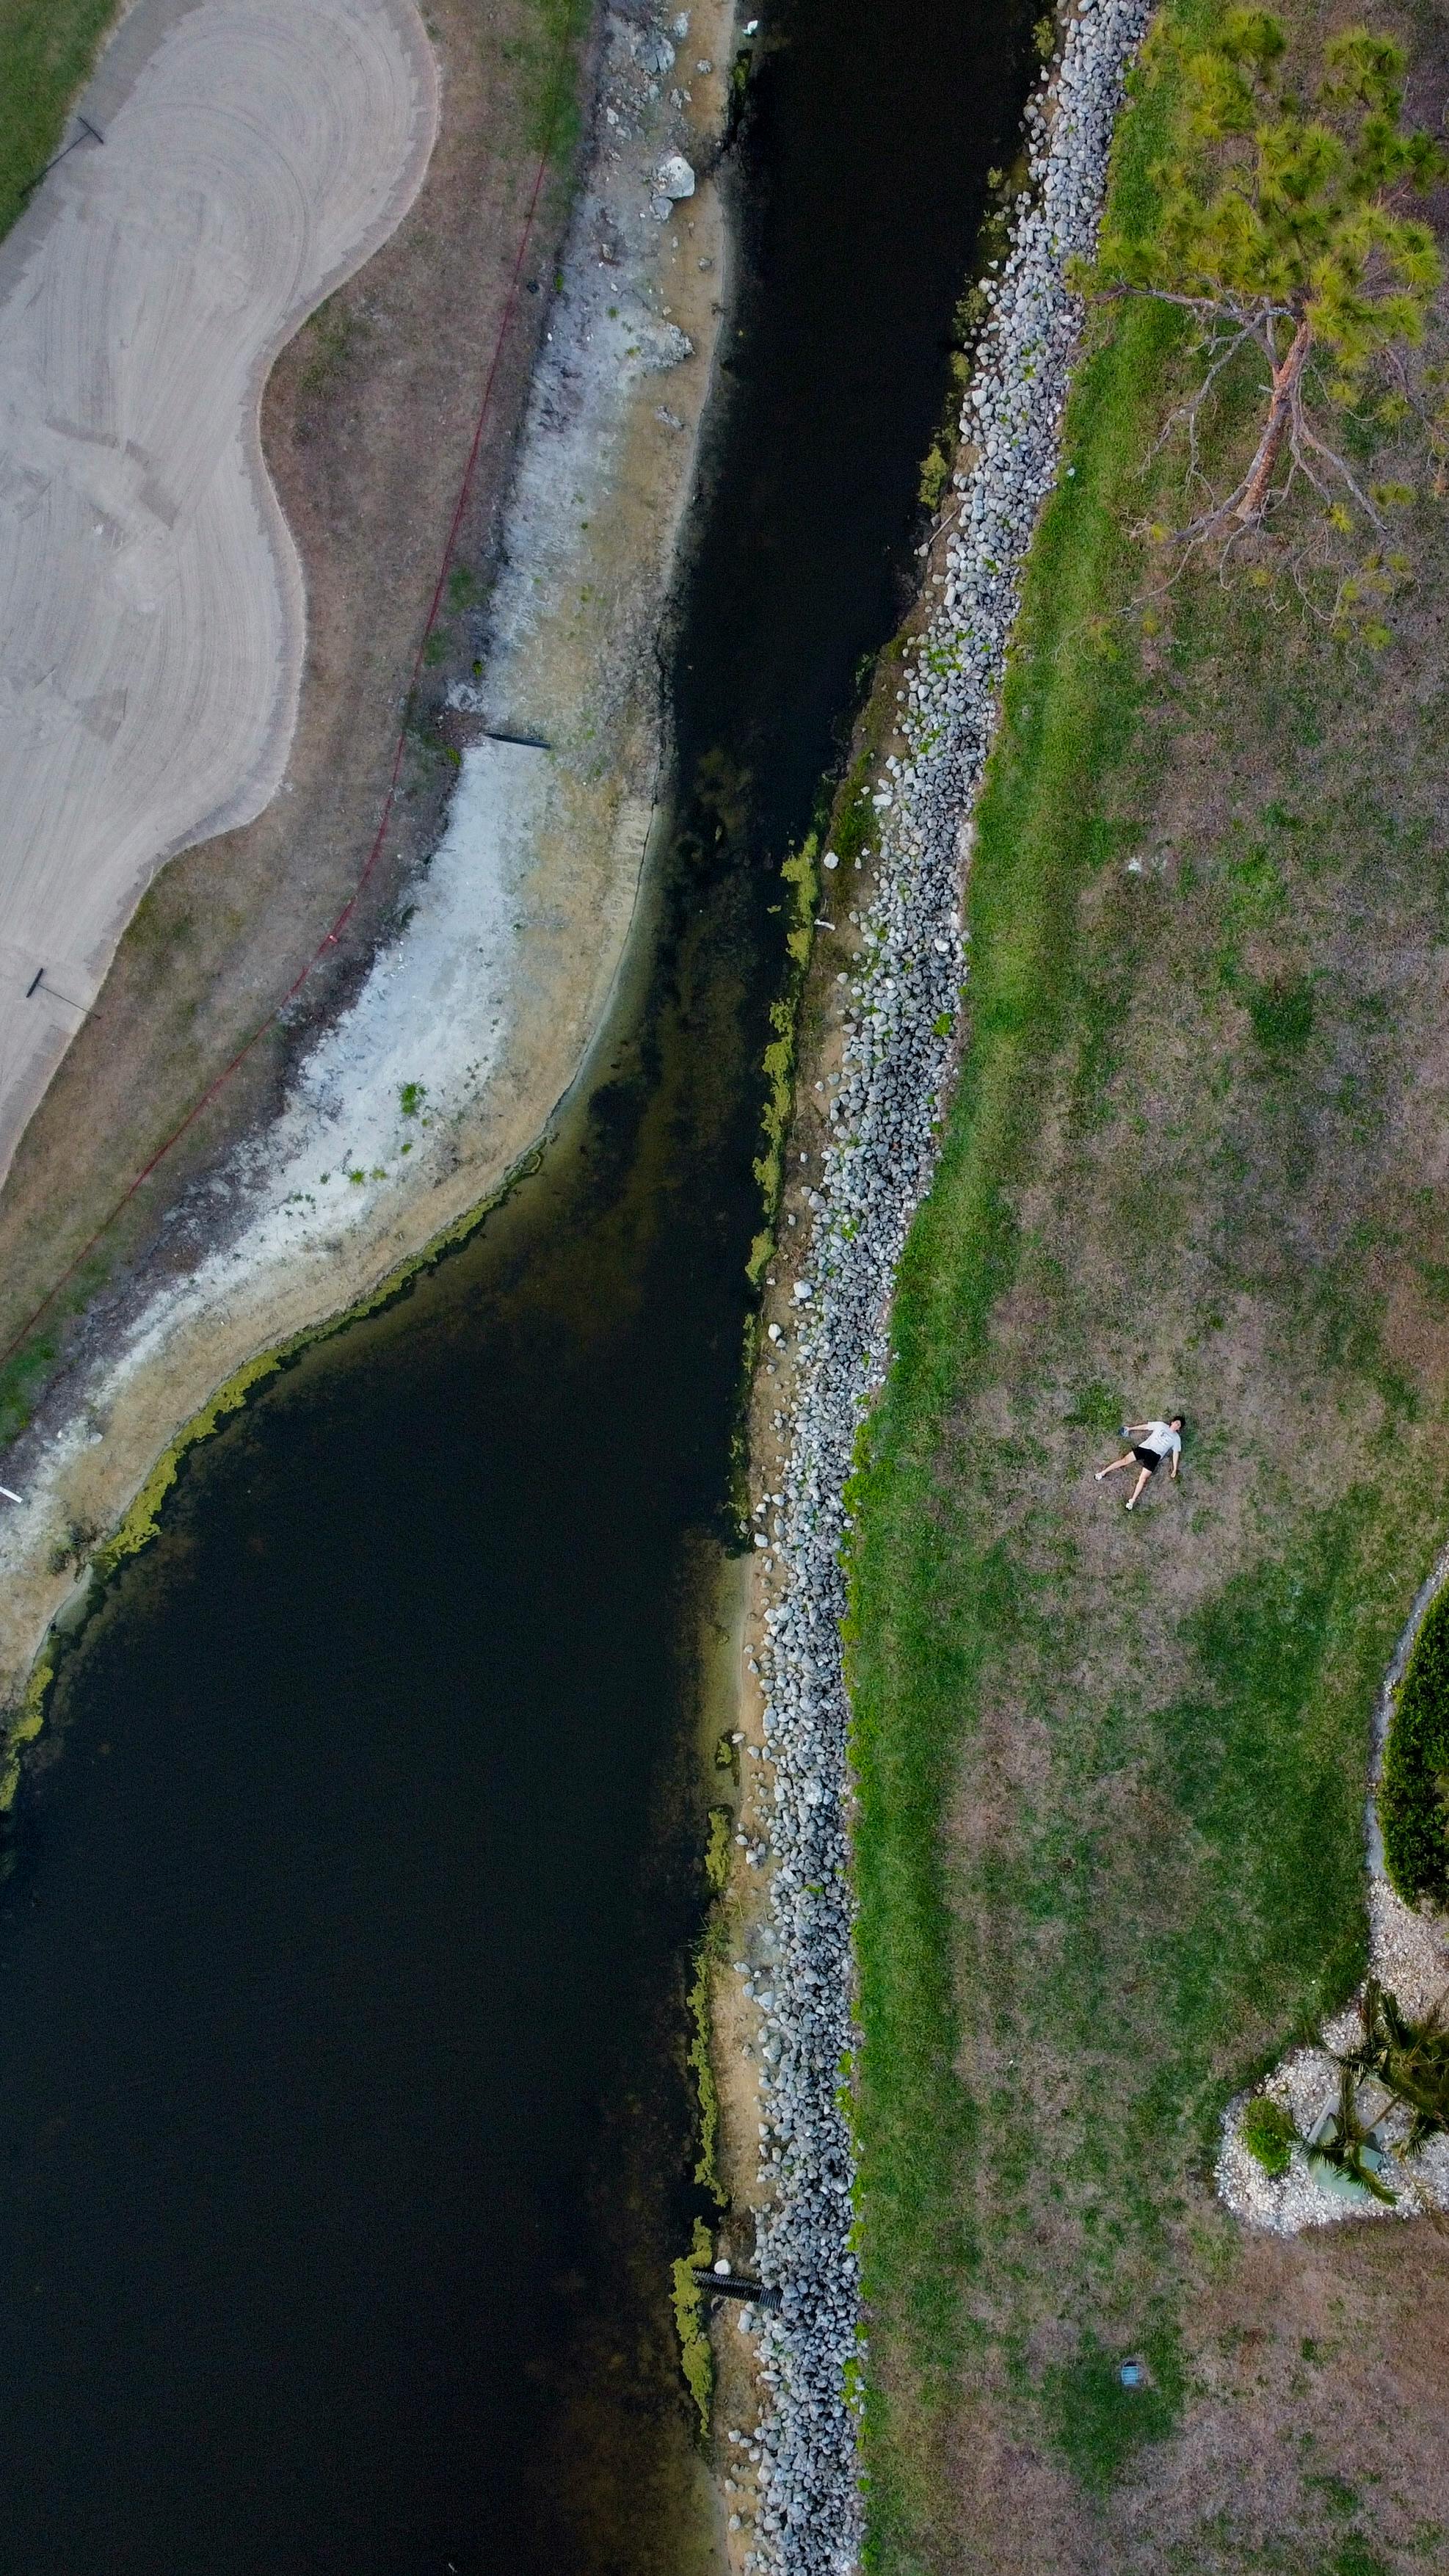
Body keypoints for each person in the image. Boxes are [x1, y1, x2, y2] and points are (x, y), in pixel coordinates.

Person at [1095, 1415, 1184, 1511]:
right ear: (1172, 1422)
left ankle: (1132, 1501)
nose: (1176, 1425)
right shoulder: (1161, 1425)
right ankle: (1102, 1473)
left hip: (1155, 1456)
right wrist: (1130, 1429)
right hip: (1144, 1448)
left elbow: (1175, 1453)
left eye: (1179, 1425)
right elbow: (1145, 1427)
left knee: (1143, 1479)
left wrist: (1175, 1468)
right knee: (1124, 1461)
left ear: (1179, 1428)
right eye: (1176, 1423)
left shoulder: (1176, 1439)